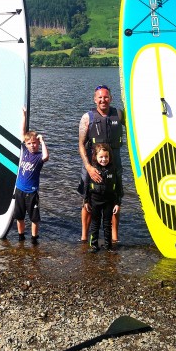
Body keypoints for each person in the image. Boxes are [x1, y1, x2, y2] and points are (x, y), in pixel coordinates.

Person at [78, 84, 125, 243]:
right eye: (100, 97)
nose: (103, 100)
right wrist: (89, 168)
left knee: (115, 198)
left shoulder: (119, 114)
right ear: (95, 99)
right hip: (93, 165)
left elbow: (136, 128)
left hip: (114, 164)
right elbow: (81, 144)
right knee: (88, 199)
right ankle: (84, 236)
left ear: (111, 98)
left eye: (106, 97)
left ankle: (114, 237)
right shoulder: (87, 117)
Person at [13, 108, 49, 244]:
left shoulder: (39, 156)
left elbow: (46, 156)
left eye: (34, 143)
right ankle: (21, 237)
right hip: (20, 190)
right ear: (26, 144)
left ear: (38, 144)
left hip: (32, 192)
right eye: (29, 143)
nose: (32, 145)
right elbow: (22, 133)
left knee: (34, 218)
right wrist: (24, 116)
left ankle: (34, 239)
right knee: (19, 216)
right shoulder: (24, 151)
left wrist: (42, 140)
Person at [84, 143, 122, 252]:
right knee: (95, 223)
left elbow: (119, 187)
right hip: (95, 200)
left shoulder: (113, 169)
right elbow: (86, 185)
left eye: (106, 157)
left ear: (110, 157)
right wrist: (86, 201)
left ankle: (108, 245)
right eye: (101, 157)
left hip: (109, 201)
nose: (104, 159)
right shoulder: (93, 170)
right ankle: (94, 245)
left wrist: (117, 203)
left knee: (107, 223)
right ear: (95, 157)